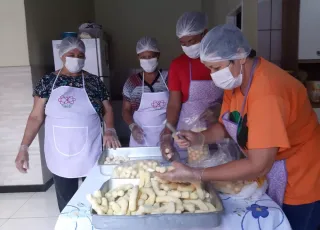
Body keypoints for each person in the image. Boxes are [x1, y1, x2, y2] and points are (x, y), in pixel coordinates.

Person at [156, 24, 320, 230]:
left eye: (216, 68)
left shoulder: (267, 92)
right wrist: (199, 138)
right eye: (209, 68)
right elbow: (228, 124)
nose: (213, 75)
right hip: (273, 168)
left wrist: (196, 174)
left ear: (241, 55)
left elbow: (258, 165)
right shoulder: (237, 80)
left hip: (300, 175)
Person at [15, 37, 121, 212]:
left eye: (80, 54)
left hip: (90, 148)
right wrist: (24, 147)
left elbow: (107, 109)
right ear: (62, 56)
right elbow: (35, 117)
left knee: (95, 200)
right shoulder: (47, 82)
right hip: (59, 152)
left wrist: (110, 130)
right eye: (72, 54)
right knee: (67, 204)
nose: (77, 57)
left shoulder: (94, 82)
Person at [160, 12, 223, 160]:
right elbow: (174, 104)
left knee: (220, 169)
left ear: (205, 33)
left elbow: (234, 95)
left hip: (219, 130)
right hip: (188, 135)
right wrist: (167, 134)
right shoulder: (178, 65)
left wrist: (220, 108)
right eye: (183, 43)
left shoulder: (221, 60)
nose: (188, 46)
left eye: (192, 41)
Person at [122, 36, 169, 147]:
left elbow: (177, 105)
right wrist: (132, 126)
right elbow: (125, 110)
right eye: (143, 57)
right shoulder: (131, 82)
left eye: (151, 57)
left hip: (166, 137)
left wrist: (169, 128)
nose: (147, 60)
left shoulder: (169, 77)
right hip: (140, 139)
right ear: (138, 57)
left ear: (158, 55)